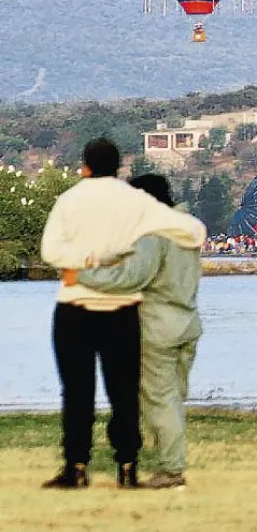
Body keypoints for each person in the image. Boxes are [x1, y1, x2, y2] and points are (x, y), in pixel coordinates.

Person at [39, 139, 206, 490]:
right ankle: (129, 466)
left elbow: (52, 251)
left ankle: (80, 466)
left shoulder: (71, 200)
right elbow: (194, 232)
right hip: (152, 316)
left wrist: (84, 266)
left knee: (80, 392)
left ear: (85, 166)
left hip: (92, 309)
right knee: (131, 394)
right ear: (117, 166)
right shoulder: (151, 211)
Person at [72, 174, 202, 490]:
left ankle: (171, 470)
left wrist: (83, 276)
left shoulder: (153, 233)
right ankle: (171, 462)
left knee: (160, 400)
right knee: (174, 398)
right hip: (188, 323)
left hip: (157, 326)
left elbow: (132, 277)